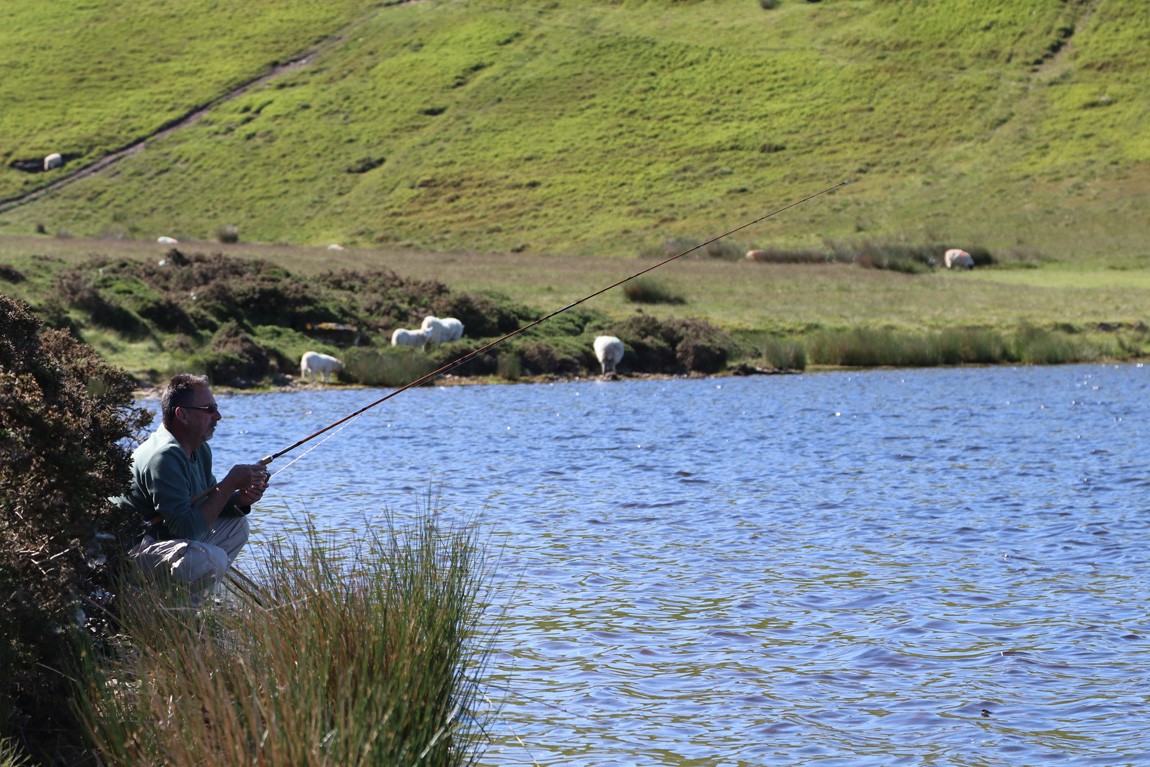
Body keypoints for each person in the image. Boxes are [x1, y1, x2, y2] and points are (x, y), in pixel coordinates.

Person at [115, 374, 269, 592]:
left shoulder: (199, 448)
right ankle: (185, 616)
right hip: (131, 554)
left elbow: (206, 500)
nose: (218, 416)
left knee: (237, 526)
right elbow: (185, 529)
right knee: (206, 558)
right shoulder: (164, 457)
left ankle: (183, 599)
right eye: (209, 409)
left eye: (215, 407)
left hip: (162, 539)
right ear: (183, 415)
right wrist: (228, 484)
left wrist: (237, 499)